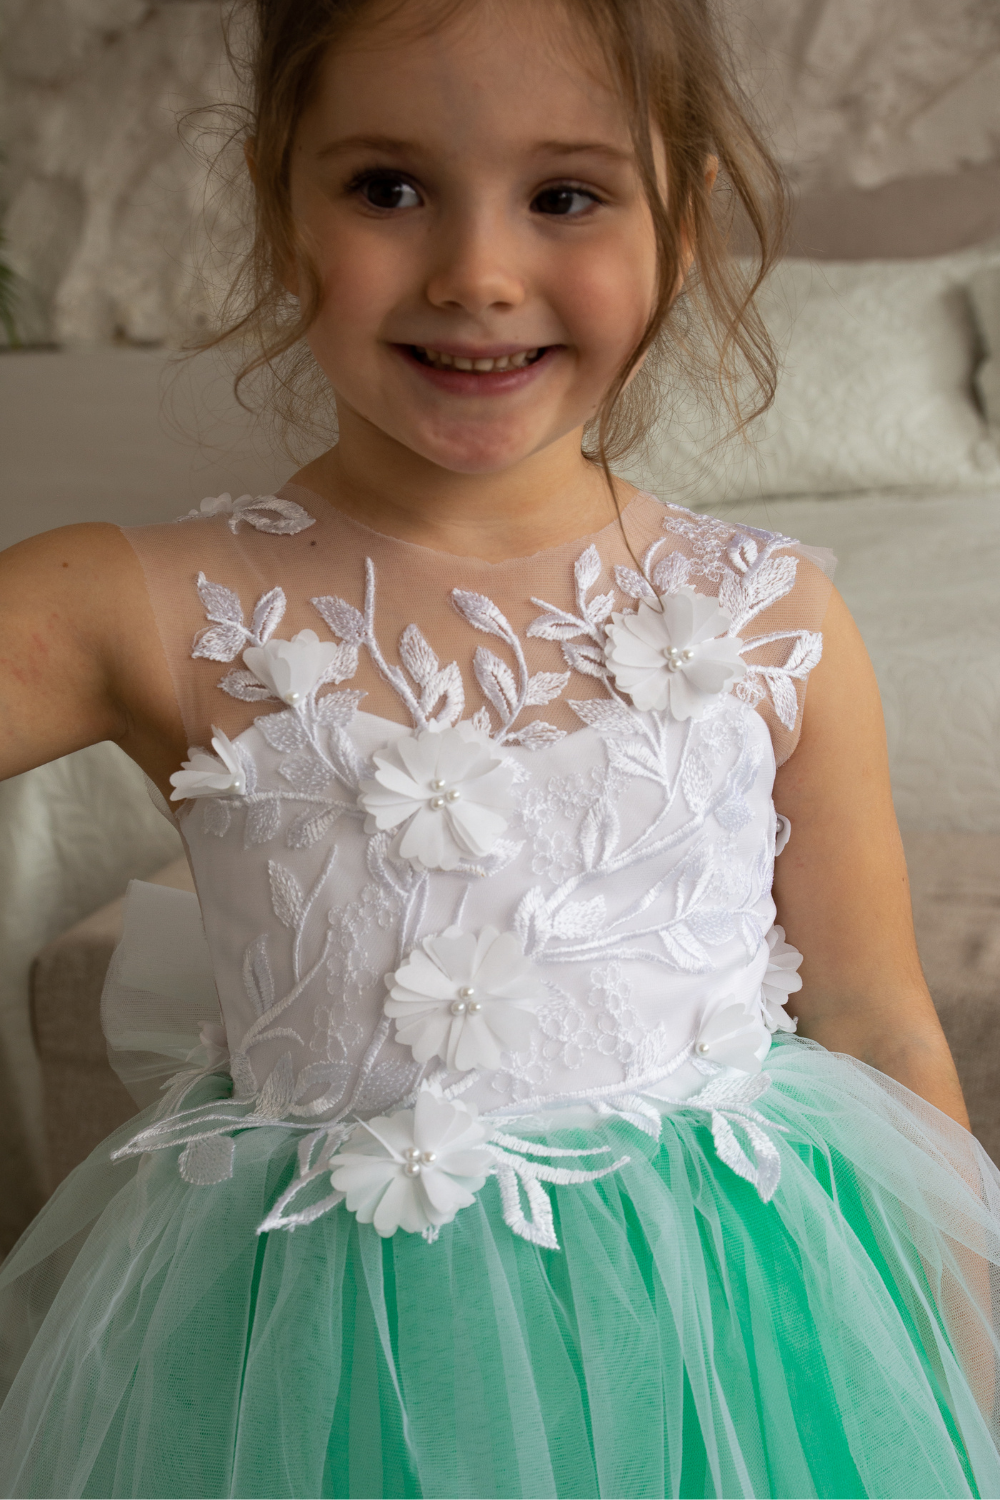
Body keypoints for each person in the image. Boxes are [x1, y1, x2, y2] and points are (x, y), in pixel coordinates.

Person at [1, 0, 998, 1495]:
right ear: (283, 198)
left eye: (567, 195)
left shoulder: (771, 618)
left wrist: (966, 1377)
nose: (475, 272)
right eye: (387, 187)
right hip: (329, 1382)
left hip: (736, 1360)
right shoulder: (144, 605)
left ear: (684, 218)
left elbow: (877, 1021)